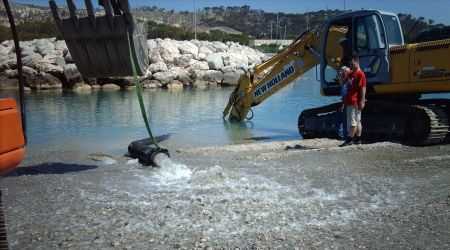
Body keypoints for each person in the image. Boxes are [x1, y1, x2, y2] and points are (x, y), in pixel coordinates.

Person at [340, 54, 366, 146]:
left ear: (356, 61)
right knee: (358, 121)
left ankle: (349, 139)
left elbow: (363, 88)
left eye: (352, 63)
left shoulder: (360, 74)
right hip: (350, 100)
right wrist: (343, 72)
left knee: (353, 121)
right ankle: (358, 139)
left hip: (354, 101)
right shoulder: (352, 73)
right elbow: (343, 82)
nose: (350, 65)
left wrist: (362, 101)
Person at [337, 66, 352, 139]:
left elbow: (346, 95)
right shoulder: (346, 82)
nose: (340, 73)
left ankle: (346, 137)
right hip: (348, 103)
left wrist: (343, 104)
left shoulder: (347, 83)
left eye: (342, 71)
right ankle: (346, 136)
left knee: (345, 121)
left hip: (348, 104)